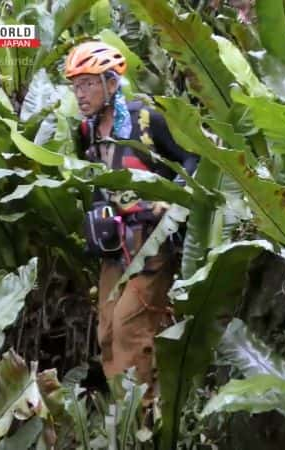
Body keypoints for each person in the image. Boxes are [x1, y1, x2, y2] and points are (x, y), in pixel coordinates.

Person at [65, 41, 198, 401]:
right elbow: (99, 180)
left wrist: (169, 202)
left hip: (150, 243)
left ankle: (146, 415)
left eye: (89, 84)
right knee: (106, 332)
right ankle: (124, 414)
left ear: (111, 82)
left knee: (128, 328)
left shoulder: (146, 119)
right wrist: (97, 214)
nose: (81, 94)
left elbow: (192, 159)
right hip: (114, 248)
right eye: (76, 86)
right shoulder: (87, 132)